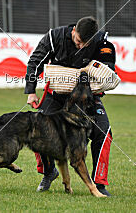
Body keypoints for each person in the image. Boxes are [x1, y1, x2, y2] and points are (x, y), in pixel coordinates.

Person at [25, 16, 116, 197]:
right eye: (78, 41)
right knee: (38, 129)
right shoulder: (54, 37)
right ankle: (49, 171)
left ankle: (99, 183)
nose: (81, 46)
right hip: (56, 96)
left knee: (103, 132)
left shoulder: (103, 43)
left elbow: (108, 71)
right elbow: (35, 62)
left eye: (86, 44)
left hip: (85, 99)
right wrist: (31, 91)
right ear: (73, 31)